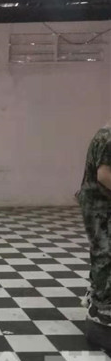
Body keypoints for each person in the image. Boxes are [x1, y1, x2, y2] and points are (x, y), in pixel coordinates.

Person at [77, 122, 111, 329]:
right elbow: (104, 175)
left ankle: (96, 292)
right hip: (98, 205)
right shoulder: (109, 138)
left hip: (102, 202)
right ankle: (102, 308)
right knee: (105, 253)